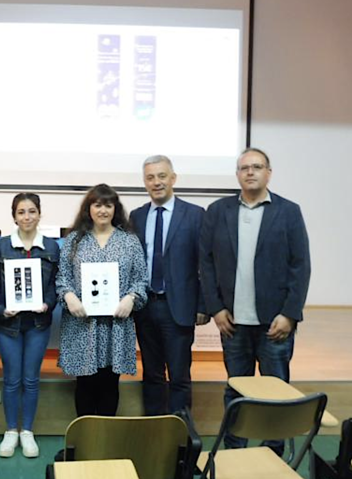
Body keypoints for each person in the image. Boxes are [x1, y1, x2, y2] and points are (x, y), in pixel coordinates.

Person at [200, 147, 311, 452]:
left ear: (268, 173)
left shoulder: (288, 211)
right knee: (236, 389)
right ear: (237, 174)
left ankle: (273, 452)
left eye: (257, 167)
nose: (250, 172)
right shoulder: (218, 211)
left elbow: (300, 266)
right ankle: (234, 450)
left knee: (276, 392)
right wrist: (216, 309)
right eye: (244, 168)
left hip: (275, 323)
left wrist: (290, 314)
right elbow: (206, 263)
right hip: (232, 322)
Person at [56, 184, 148, 417]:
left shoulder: (129, 241)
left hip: (115, 326)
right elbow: (62, 277)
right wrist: (69, 296)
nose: (103, 210)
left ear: (115, 208)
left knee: (109, 385)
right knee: (85, 385)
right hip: (82, 325)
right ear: (89, 209)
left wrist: (131, 298)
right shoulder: (74, 240)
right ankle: (85, 445)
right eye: (97, 205)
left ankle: (105, 443)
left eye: (108, 205)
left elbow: (141, 279)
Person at [129, 155, 207, 416]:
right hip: (146, 307)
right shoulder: (137, 216)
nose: (156, 182)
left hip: (180, 308)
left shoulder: (195, 215)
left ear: (173, 178)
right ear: (144, 182)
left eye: (162, 176)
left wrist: (203, 305)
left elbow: (205, 264)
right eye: (150, 177)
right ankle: (154, 433)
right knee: (151, 374)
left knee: (179, 376)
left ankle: (181, 437)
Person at [0, 193, 60, 458]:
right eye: (21, 212)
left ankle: (26, 431)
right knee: (11, 379)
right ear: (14, 216)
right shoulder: (1, 246)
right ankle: (10, 432)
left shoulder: (51, 247)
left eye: (31, 211)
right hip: (9, 325)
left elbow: (54, 286)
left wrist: (48, 304)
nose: (26, 217)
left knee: (31, 380)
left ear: (39, 214)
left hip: (38, 324)